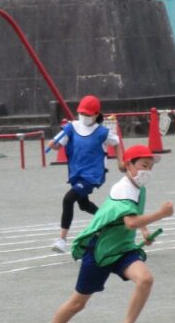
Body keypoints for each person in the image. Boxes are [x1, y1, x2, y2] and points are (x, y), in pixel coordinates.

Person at [32, 145, 174, 323]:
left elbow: (136, 215)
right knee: (77, 303)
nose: (147, 170)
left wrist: (145, 231)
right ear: (128, 165)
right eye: (143, 165)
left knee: (145, 279)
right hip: (100, 250)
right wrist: (161, 214)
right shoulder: (123, 189)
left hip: (122, 249)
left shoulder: (138, 187)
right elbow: (130, 222)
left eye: (150, 167)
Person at [47, 94, 122, 253]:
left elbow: (117, 142)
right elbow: (58, 146)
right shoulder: (71, 127)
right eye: (81, 113)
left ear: (96, 114)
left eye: (87, 114)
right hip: (77, 173)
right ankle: (108, 221)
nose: (84, 116)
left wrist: (120, 162)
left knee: (68, 199)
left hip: (92, 174)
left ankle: (62, 240)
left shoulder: (102, 132)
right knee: (84, 205)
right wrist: (53, 145)